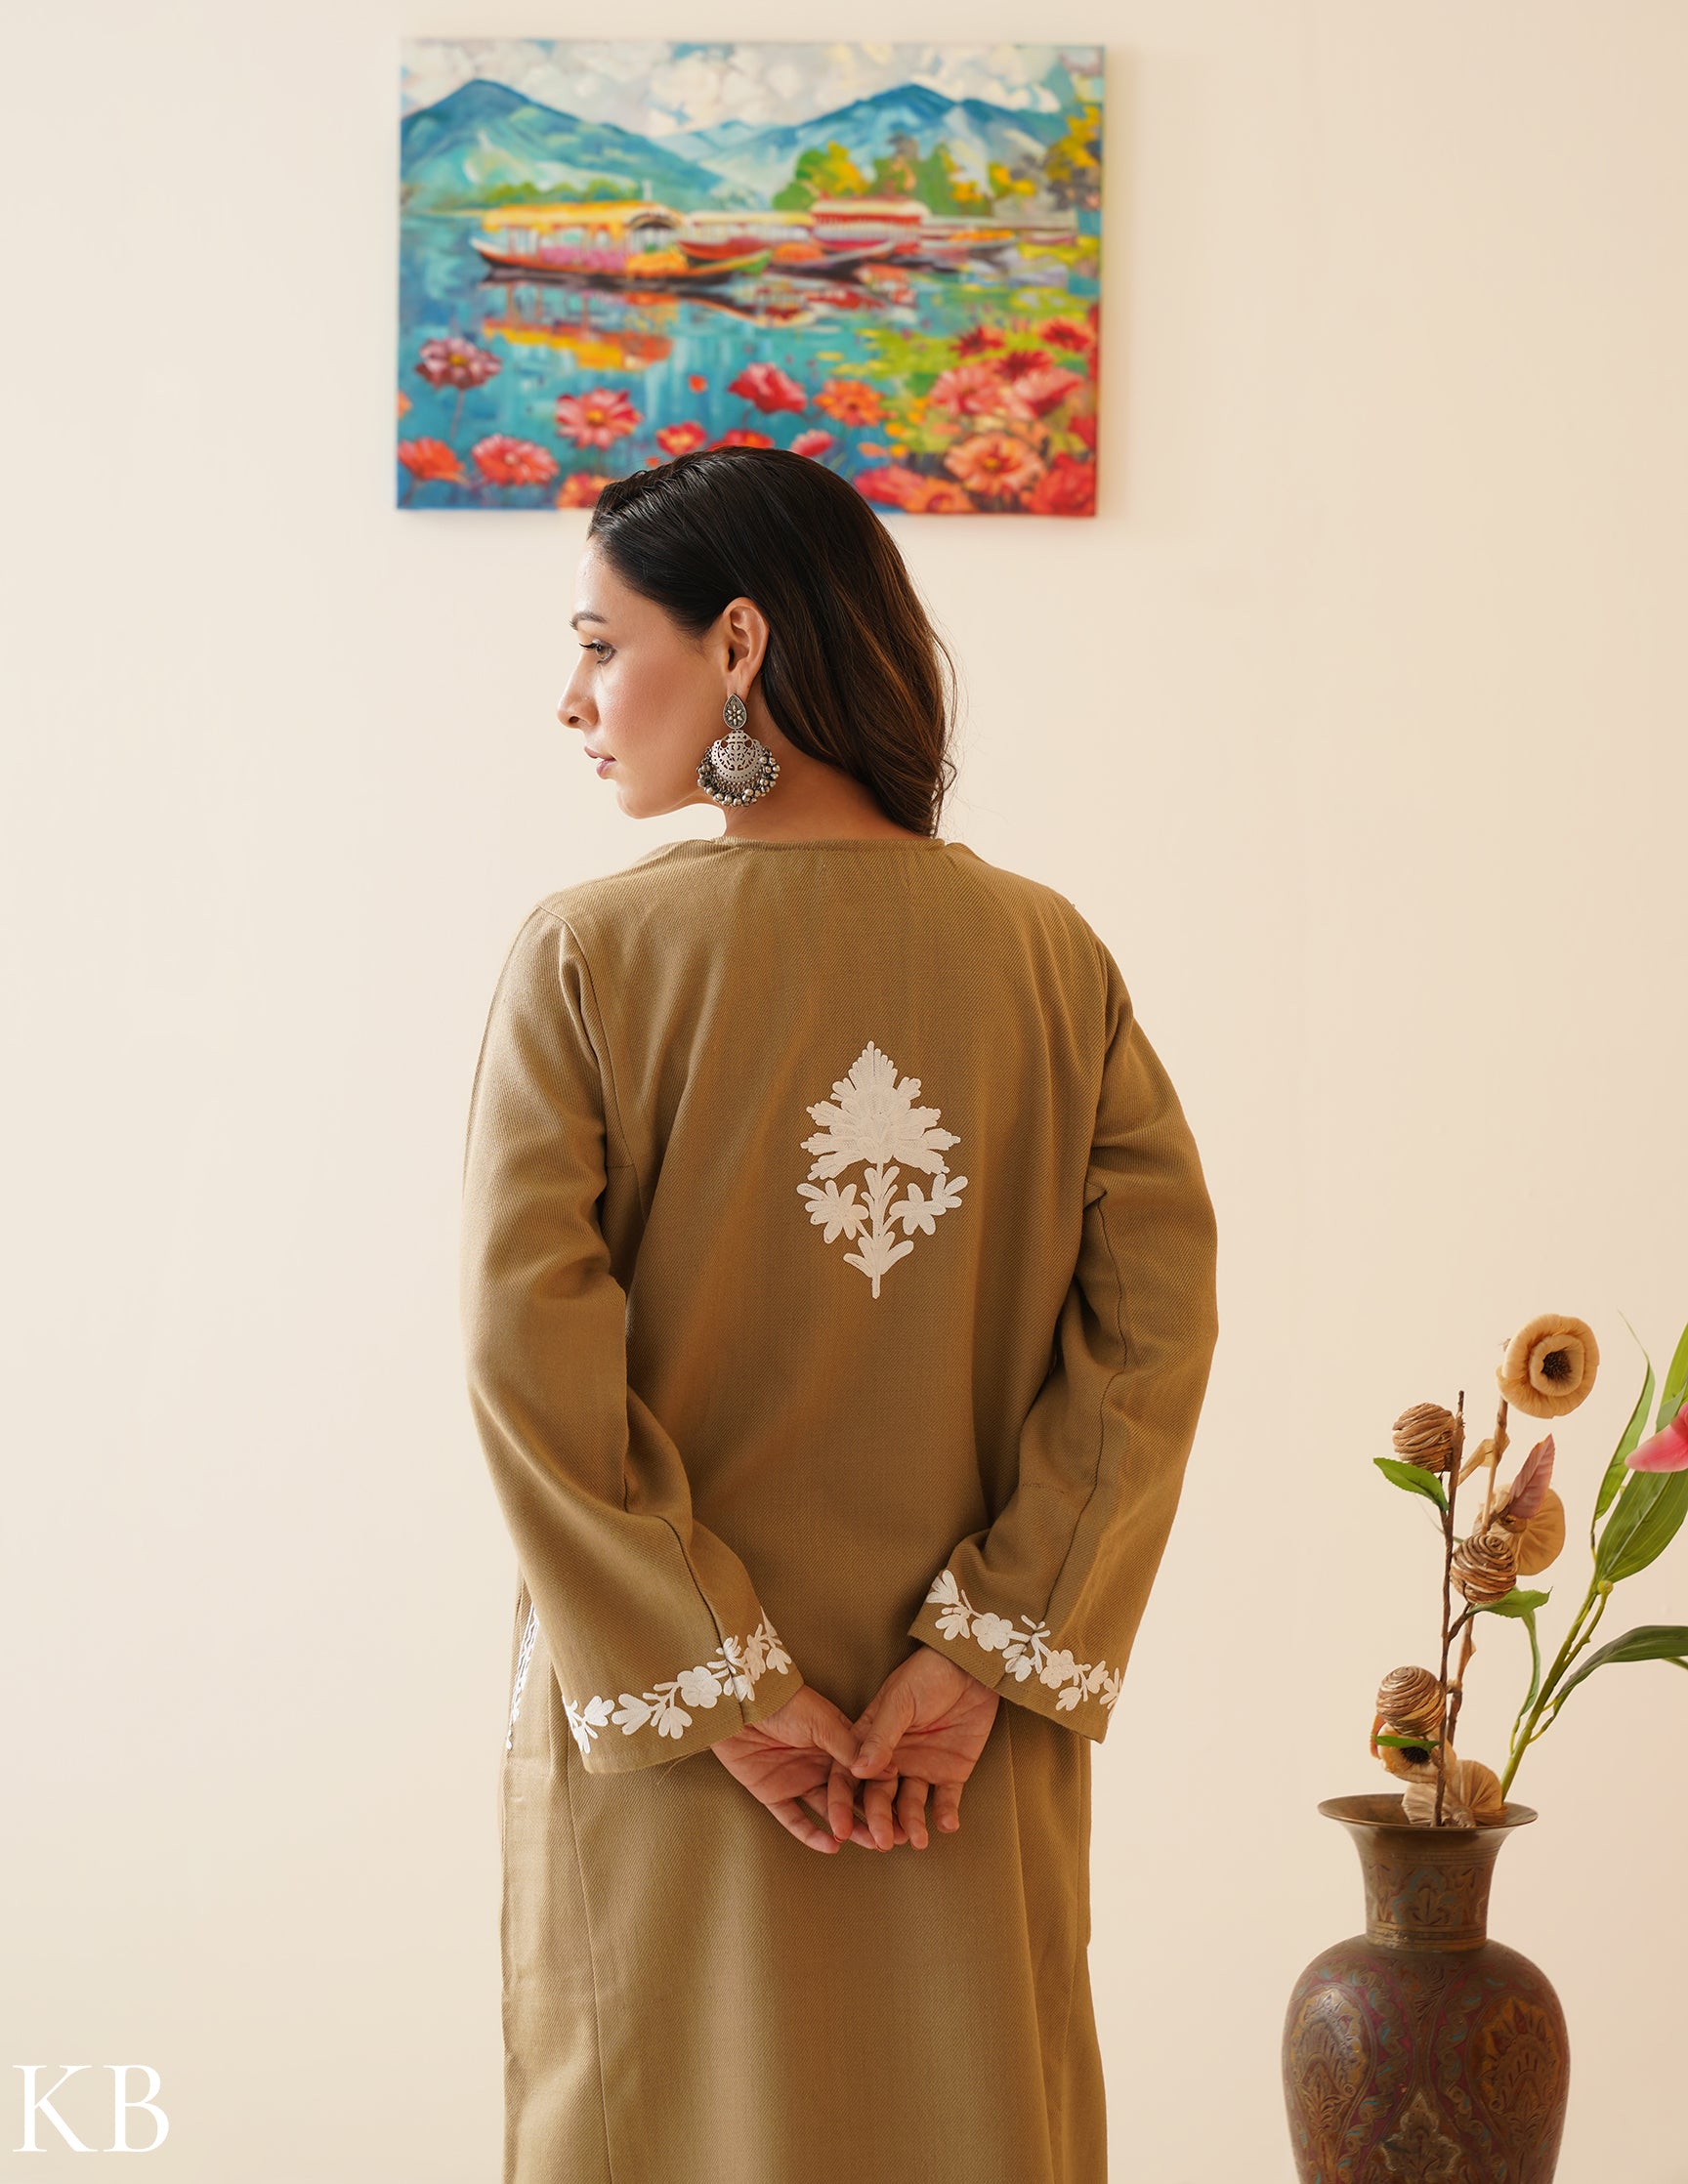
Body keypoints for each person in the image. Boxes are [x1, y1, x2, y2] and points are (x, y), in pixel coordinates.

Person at [457, 445, 1220, 2183]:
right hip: (959, 1755)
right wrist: (987, 1650)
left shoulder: (585, 961)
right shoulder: (1048, 959)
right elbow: (1154, 1331)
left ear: (738, 644)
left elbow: (529, 1360)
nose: (573, 702)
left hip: (663, 1732)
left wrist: (722, 1683)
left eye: (602, 646)